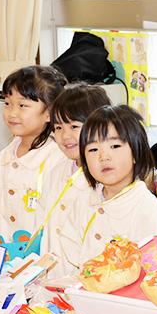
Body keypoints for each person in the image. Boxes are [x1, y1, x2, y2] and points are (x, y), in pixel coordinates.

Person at [59, 105, 157, 268]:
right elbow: (71, 247)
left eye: (115, 146)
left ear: (136, 153)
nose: (104, 157)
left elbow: (156, 266)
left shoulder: (149, 211)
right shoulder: (82, 199)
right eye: (93, 149)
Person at [0, 66, 68, 243]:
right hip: (3, 254)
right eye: (7, 103)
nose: (12, 113)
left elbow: (58, 217)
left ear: (49, 113)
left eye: (22, 105)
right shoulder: (3, 157)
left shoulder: (58, 158)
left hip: (40, 257)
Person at [36, 84, 111, 278]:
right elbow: (43, 222)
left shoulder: (105, 178)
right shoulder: (56, 171)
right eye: (58, 127)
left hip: (84, 280)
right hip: (51, 279)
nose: (65, 135)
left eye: (74, 127)